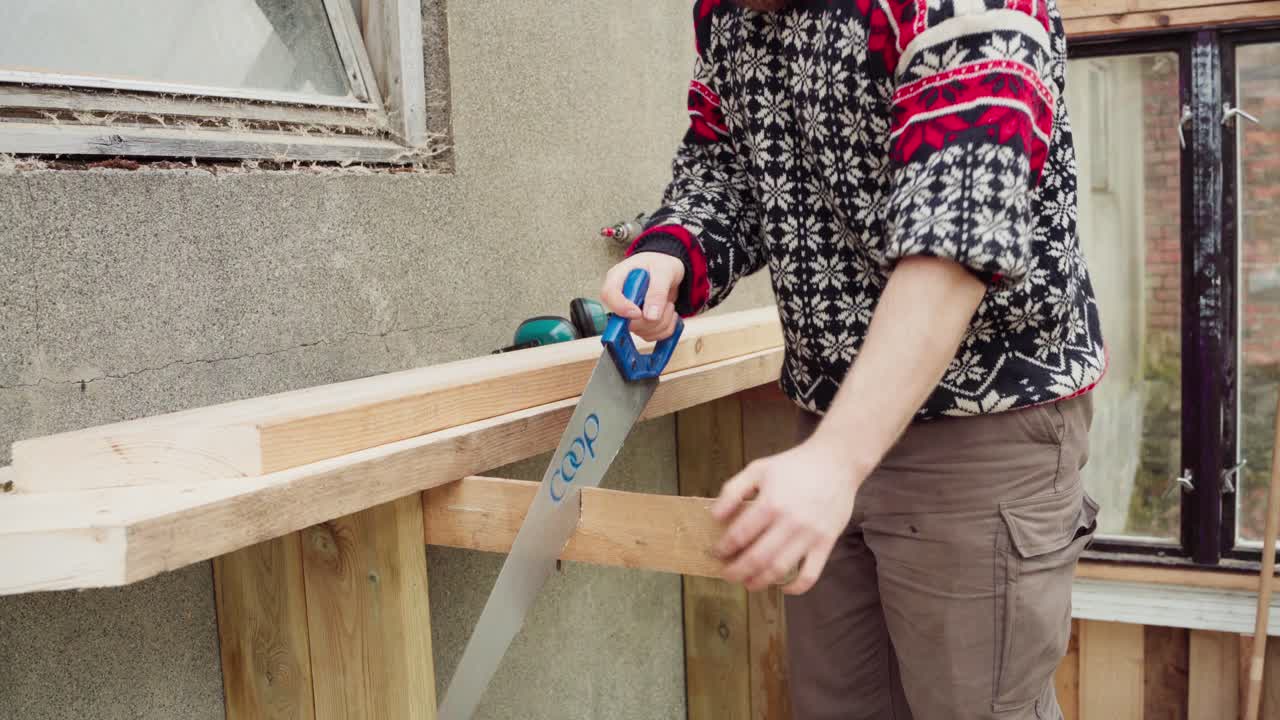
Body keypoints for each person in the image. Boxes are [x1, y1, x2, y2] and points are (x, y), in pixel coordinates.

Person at [598, 0, 1106, 718]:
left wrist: (834, 463)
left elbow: (957, 237)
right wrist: (674, 248)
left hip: (982, 425)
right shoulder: (728, 12)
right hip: (829, 420)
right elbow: (726, 161)